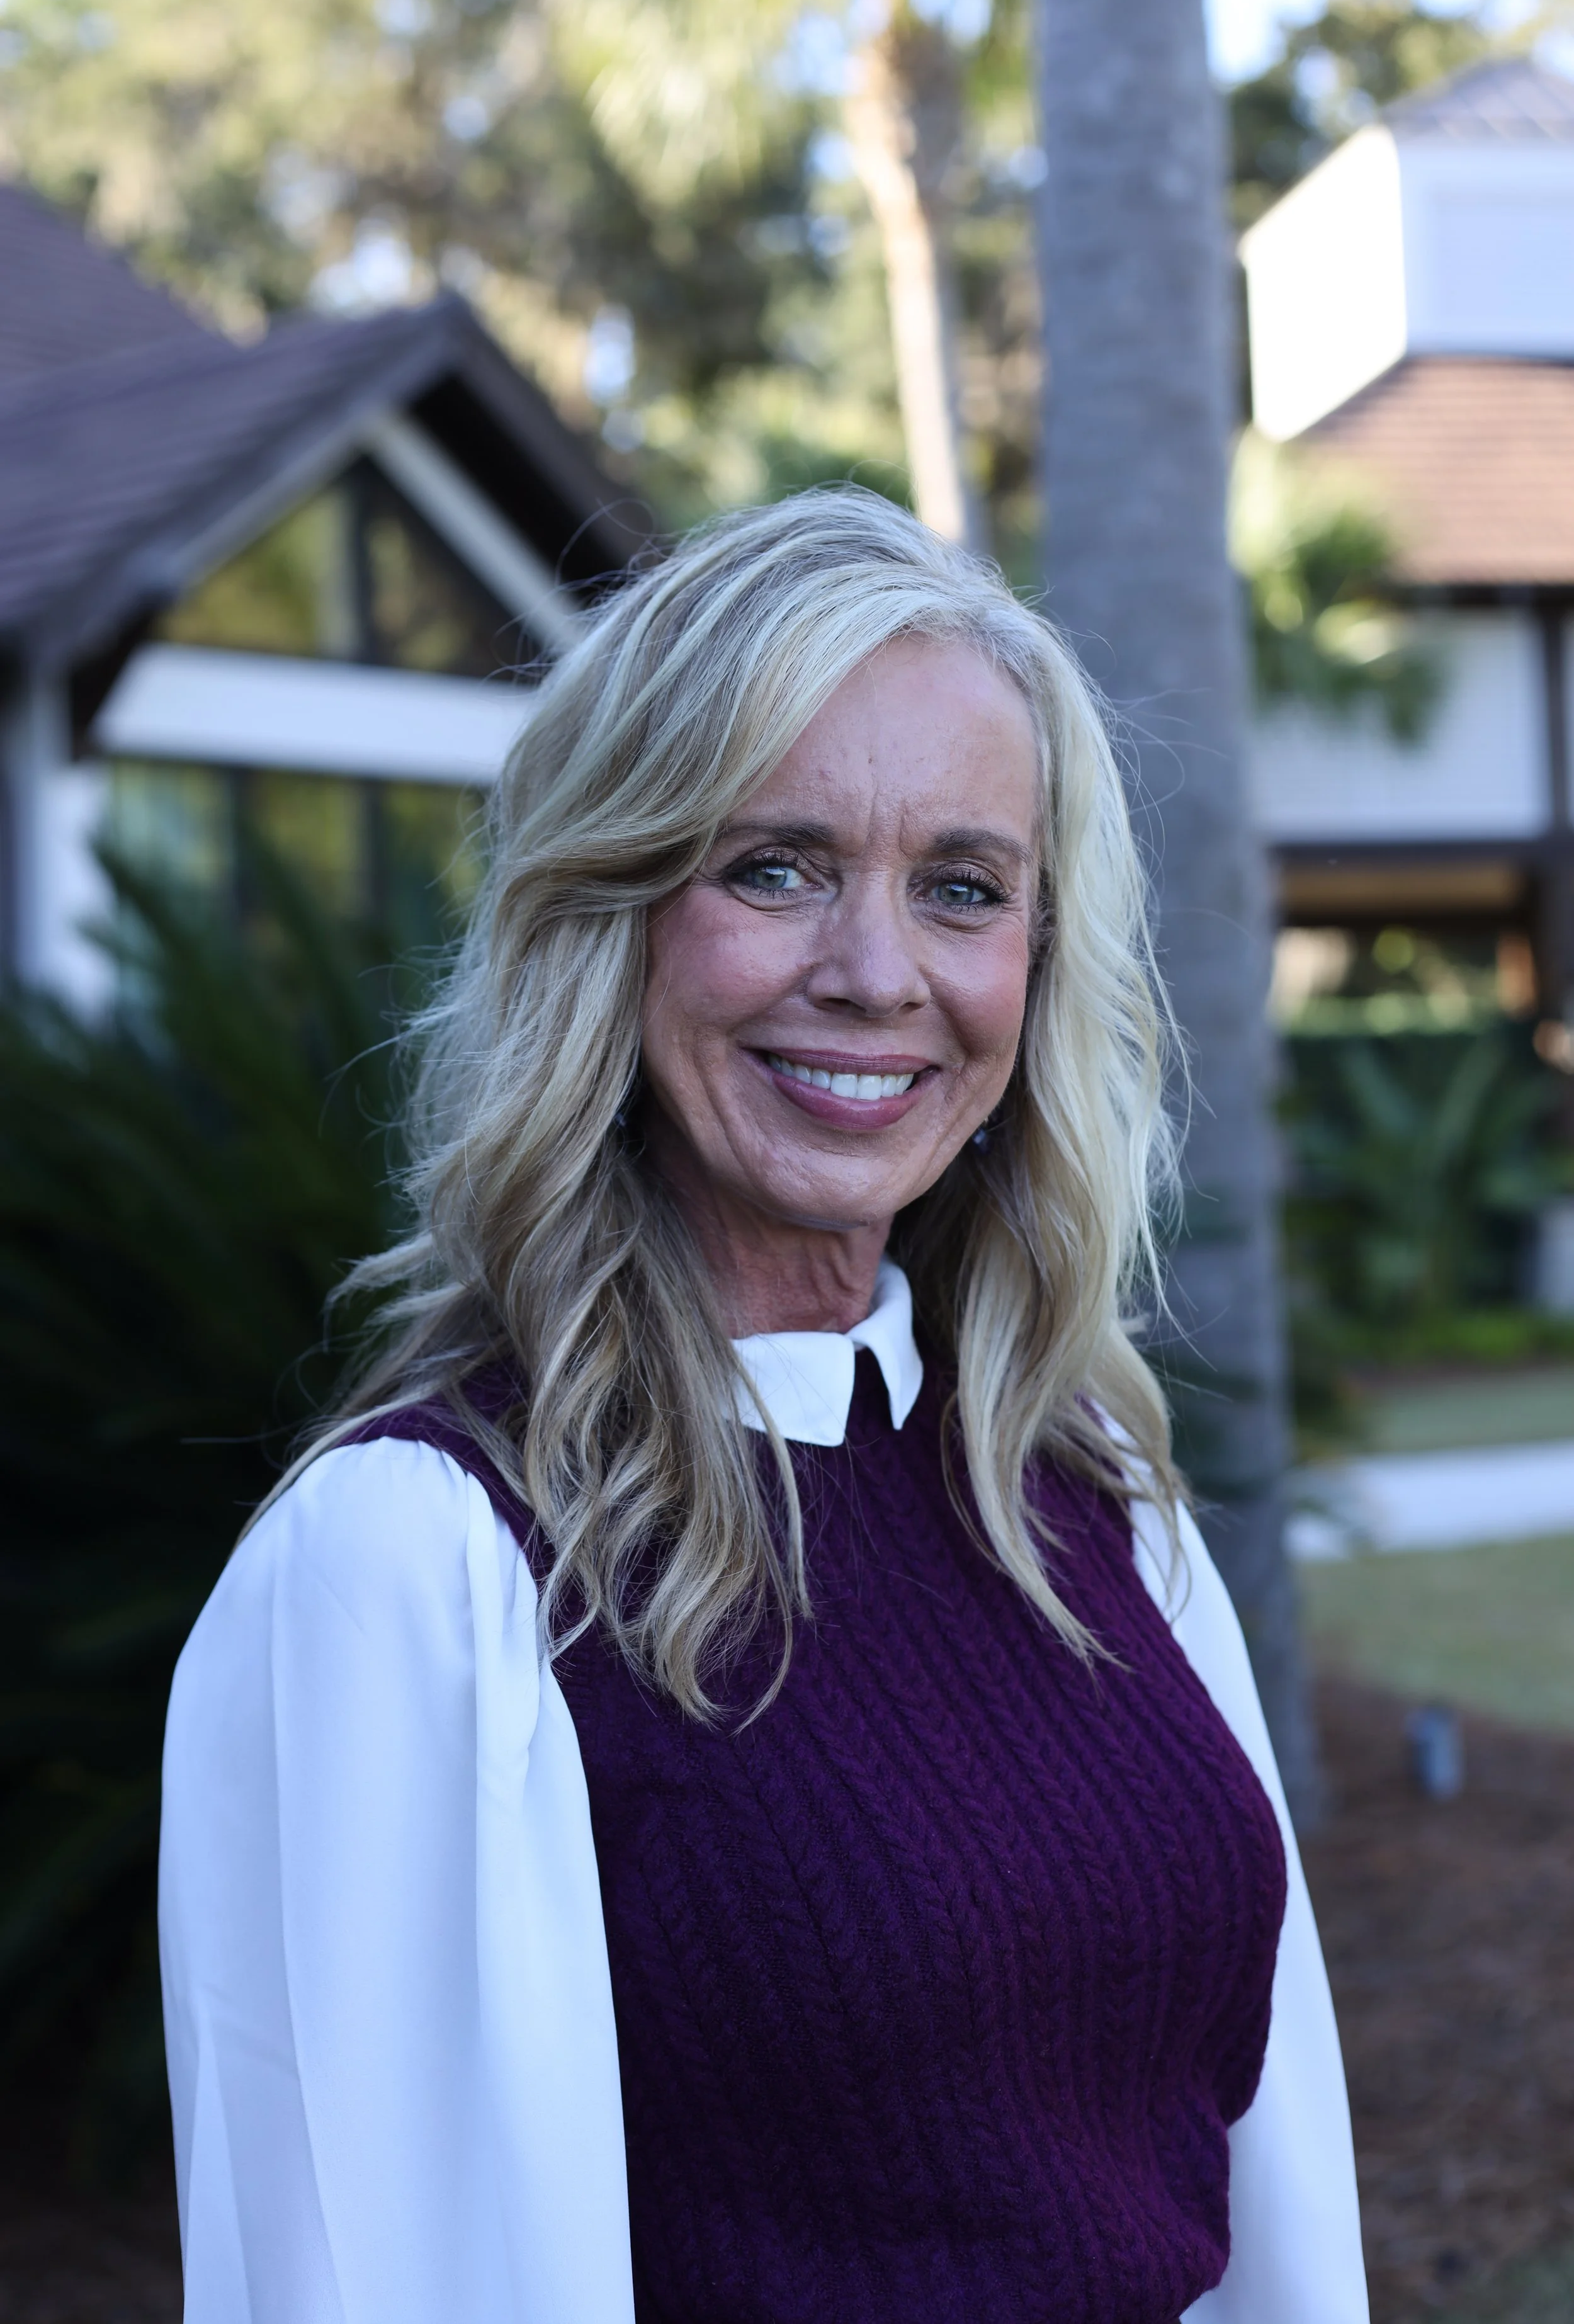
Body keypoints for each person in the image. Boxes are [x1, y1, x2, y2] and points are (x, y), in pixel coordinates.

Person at [159, 487, 1367, 2323]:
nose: (877, 972)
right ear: (614, 915)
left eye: (961, 886)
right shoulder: (422, 1565)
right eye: (774, 865)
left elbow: (1253, 2203)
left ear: (1036, 966)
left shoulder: (1090, 1504)